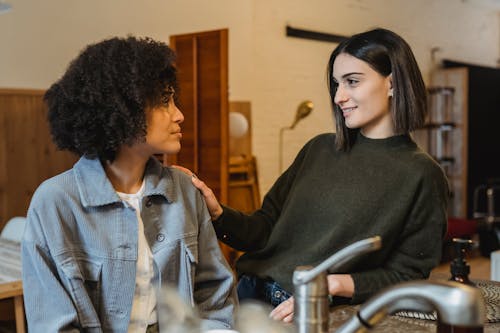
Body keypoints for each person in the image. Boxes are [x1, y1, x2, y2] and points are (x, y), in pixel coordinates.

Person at [177, 28, 449, 323]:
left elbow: (407, 275)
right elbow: (264, 229)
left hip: (308, 311)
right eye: (336, 84)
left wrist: (334, 284)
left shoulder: (421, 174)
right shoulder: (318, 149)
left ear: (393, 83)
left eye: (352, 82)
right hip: (245, 294)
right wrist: (218, 214)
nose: (339, 97)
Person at [21, 36, 237, 332]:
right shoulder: (56, 203)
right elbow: (52, 323)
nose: (179, 114)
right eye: (164, 101)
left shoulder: (185, 190)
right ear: (123, 109)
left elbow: (214, 298)